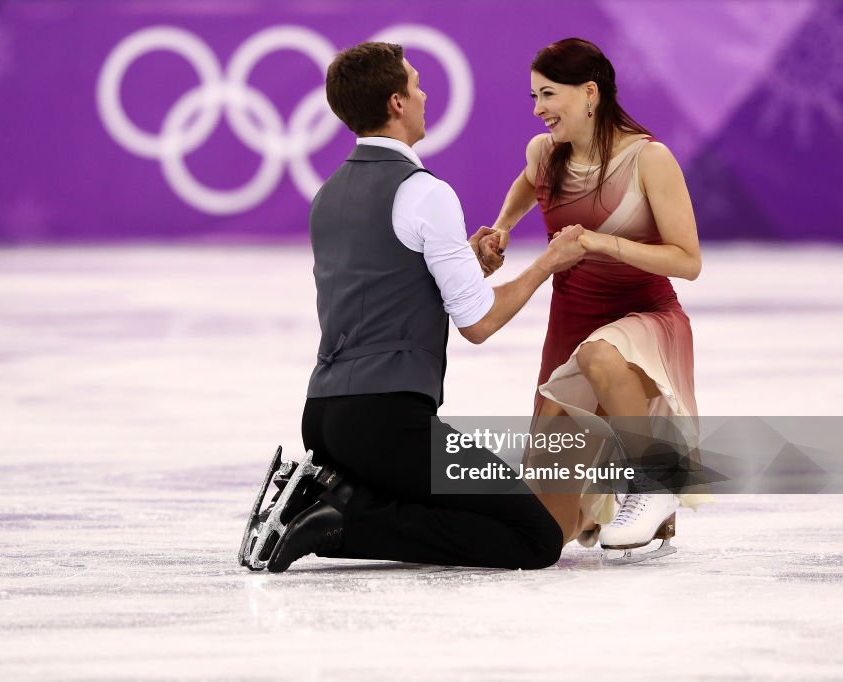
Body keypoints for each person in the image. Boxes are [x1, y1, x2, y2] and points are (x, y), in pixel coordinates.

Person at [239, 41, 587, 573]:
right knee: (534, 536)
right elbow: (480, 323)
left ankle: (336, 500)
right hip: (389, 424)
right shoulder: (425, 193)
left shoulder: (327, 195)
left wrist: (466, 264)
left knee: (458, 511)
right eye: (417, 85)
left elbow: (384, 282)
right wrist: (549, 262)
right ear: (398, 103)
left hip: (325, 419)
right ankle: (337, 521)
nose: (425, 95)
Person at [472, 38, 706, 560]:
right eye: (533, 96)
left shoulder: (650, 158)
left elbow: (688, 261)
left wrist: (604, 242)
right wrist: (503, 227)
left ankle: (652, 481)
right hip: (570, 324)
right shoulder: (545, 153)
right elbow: (529, 183)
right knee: (546, 533)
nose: (538, 110)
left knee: (601, 354)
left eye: (548, 95)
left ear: (590, 93)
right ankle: (618, 507)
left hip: (644, 320)